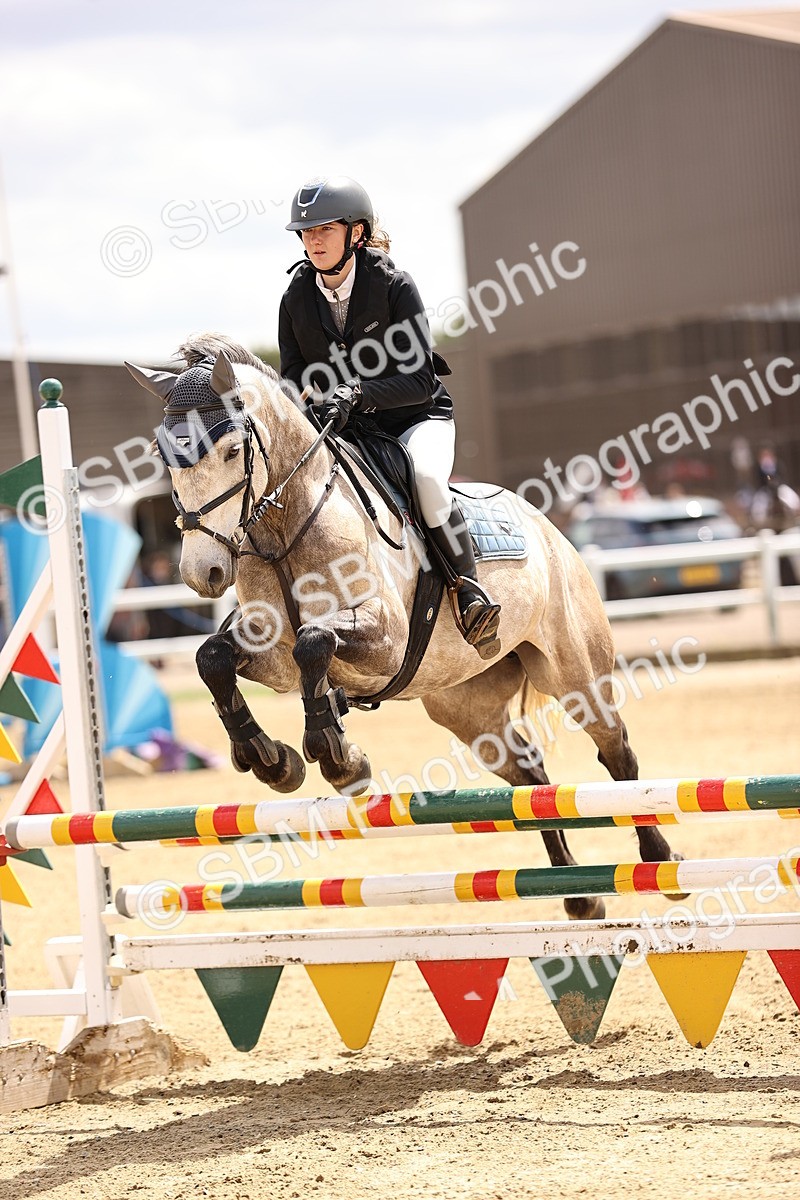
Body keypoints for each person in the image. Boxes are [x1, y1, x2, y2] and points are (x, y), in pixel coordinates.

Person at [278, 176, 501, 656]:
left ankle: (470, 593)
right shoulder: (295, 299)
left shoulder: (393, 286)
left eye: (324, 229)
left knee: (427, 481)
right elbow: (293, 375)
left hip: (416, 419)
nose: (313, 240)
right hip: (350, 431)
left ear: (355, 233)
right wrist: (308, 401)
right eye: (306, 232)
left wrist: (356, 393)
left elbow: (420, 379)